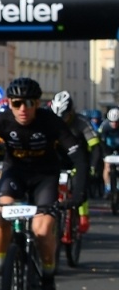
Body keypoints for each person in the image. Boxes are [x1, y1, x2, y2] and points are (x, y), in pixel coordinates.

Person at [0, 77, 89, 290]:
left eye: (29, 103)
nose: (23, 109)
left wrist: (79, 195)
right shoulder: (0, 120)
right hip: (14, 173)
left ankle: (48, 279)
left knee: (42, 230)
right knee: (1, 213)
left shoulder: (51, 122)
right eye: (17, 103)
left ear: (37, 103)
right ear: (10, 103)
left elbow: (79, 157)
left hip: (45, 176)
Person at [50, 91, 97, 234]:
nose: (61, 120)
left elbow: (95, 146)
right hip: (59, 159)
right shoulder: (51, 122)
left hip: (79, 160)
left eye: (64, 116)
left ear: (71, 111)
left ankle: (83, 215)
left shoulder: (81, 122)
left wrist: (93, 166)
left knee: (78, 183)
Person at [98, 107, 119, 196]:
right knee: (107, 167)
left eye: (117, 122)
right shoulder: (104, 126)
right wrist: (104, 153)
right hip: (108, 147)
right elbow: (101, 141)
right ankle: (107, 186)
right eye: (112, 122)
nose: (114, 124)